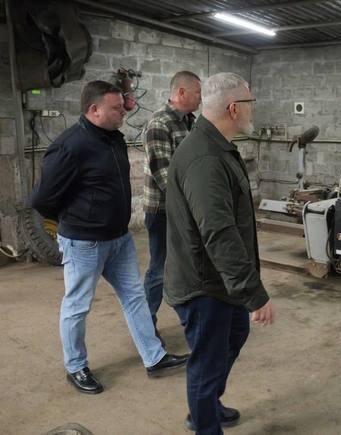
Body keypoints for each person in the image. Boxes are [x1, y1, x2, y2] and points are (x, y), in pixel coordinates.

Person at [30, 80, 188, 395]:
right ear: (95, 109)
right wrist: (76, 220)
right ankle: (75, 366)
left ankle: (154, 357)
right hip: (84, 243)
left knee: (134, 297)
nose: (123, 112)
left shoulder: (114, 138)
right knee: (77, 305)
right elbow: (42, 199)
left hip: (119, 239)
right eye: (116, 108)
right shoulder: (70, 145)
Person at [164, 72, 275, 434]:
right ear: (233, 108)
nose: (252, 109)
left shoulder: (217, 146)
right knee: (207, 363)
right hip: (204, 285)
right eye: (249, 102)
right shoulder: (206, 158)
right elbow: (219, 232)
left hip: (218, 281)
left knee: (235, 334)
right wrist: (253, 293)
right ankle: (204, 421)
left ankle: (206, 405)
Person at [142, 71, 201, 339]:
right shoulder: (159, 124)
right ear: (181, 93)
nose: (201, 98)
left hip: (186, 208)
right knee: (160, 268)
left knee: (187, 265)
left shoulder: (191, 122)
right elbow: (164, 175)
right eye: (198, 93)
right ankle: (146, 326)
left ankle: (193, 317)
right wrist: (192, 205)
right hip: (163, 210)